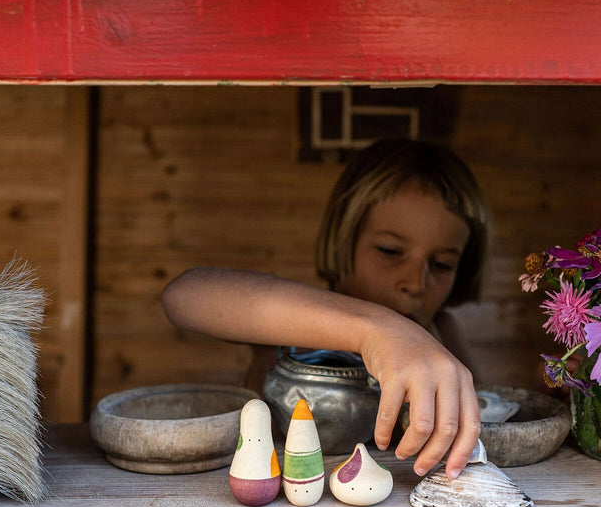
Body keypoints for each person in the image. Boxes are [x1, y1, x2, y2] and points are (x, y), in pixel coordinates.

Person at [161, 139, 492, 480]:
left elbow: (486, 424)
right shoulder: (296, 324)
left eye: (441, 263)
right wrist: (375, 329)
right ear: (343, 239)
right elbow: (182, 296)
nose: (416, 282)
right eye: (390, 251)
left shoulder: (442, 333)